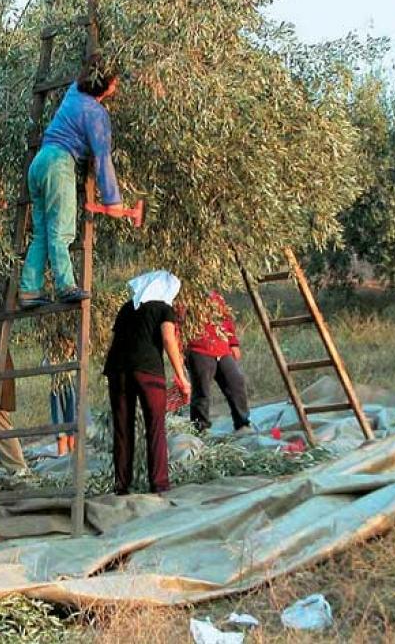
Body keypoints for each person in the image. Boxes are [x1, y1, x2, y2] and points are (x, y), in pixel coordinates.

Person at [19, 54, 124, 309]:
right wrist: (113, 200)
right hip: (58, 165)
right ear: (107, 85)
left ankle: (29, 290)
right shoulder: (96, 114)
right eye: (114, 80)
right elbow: (102, 157)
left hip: (39, 162)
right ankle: (65, 285)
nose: (117, 84)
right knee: (62, 230)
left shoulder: (74, 91)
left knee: (42, 233)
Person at [102, 270, 191, 495]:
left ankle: (121, 485)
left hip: (118, 370)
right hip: (148, 371)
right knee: (155, 427)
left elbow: (112, 342)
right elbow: (168, 338)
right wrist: (181, 376)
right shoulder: (164, 309)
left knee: (122, 428)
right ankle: (159, 484)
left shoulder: (126, 308)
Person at [182, 291, 251, 433]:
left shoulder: (216, 297)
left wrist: (233, 343)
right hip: (198, 349)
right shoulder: (185, 299)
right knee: (202, 391)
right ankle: (200, 429)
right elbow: (178, 327)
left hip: (222, 349)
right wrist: (180, 352)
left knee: (236, 382)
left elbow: (226, 319)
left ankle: (242, 423)